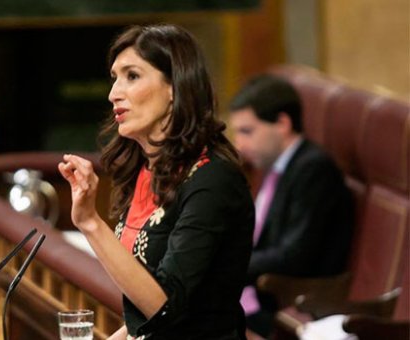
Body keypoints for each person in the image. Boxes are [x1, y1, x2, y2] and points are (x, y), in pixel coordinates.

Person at [58, 24, 254, 339]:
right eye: (114, 78)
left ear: (175, 87)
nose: (113, 94)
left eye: (132, 76)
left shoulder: (213, 180)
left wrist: (89, 222)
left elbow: (164, 307)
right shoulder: (146, 171)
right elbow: (149, 318)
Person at [228, 74, 354, 336]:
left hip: (295, 297)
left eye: (247, 131)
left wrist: (229, 264)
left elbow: (294, 255)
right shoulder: (276, 166)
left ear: (282, 123)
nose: (239, 144)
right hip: (263, 290)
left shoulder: (313, 169)